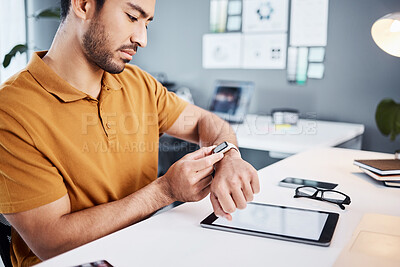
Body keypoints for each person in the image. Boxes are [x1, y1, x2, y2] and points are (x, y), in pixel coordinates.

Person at [0, 0, 259, 266]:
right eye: (132, 16)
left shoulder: (139, 84)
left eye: (146, 23)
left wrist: (229, 157)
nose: (142, 39)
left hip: (144, 251)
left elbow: (210, 123)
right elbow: (51, 243)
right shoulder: (11, 111)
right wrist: (165, 190)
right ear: (84, 5)